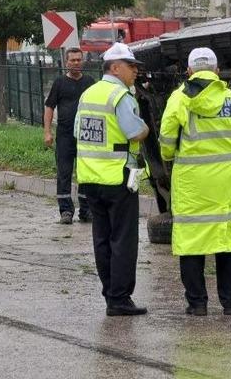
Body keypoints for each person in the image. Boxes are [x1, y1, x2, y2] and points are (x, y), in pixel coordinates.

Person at [158, 47, 231, 316]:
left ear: (189, 71)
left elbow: (166, 137)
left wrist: (168, 155)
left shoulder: (179, 98)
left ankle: (197, 304)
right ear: (217, 70)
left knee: (192, 242)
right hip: (229, 183)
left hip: (193, 184)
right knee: (229, 242)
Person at [75, 42, 149, 316]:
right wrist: (146, 128)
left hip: (90, 178)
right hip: (118, 178)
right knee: (123, 240)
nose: (135, 72)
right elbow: (133, 132)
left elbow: (77, 132)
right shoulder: (120, 96)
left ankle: (110, 294)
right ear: (115, 68)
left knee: (102, 239)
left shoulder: (88, 94)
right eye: (131, 67)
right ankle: (120, 299)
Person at [44, 47, 95, 224]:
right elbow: (49, 107)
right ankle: (66, 211)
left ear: (83, 61)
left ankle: (86, 210)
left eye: (78, 60)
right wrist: (47, 132)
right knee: (64, 173)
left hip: (85, 137)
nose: (76, 63)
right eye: (72, 60)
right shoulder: (59, 83)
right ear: (66, 62)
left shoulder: (90, 82)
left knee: (85, 174)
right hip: (65, 136)